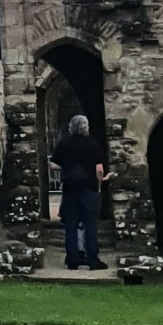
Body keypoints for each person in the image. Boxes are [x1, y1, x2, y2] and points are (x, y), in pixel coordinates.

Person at [52, 113, 109, 271]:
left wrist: (68, 168)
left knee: (71, 225)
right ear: (85, 127)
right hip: (89, 188)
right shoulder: (92, 144)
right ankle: (92, 260)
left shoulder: (65, 143)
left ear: (71, 127)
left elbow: (53, 165)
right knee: (90, 225)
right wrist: (101, 181)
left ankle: (72, 259)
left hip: (70, 189)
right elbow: (99, 169)